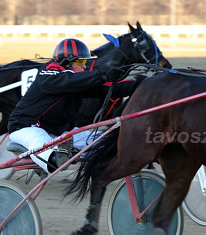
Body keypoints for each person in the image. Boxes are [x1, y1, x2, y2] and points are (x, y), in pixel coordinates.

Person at [8, 38, 140, 173]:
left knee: (104, 140)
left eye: (85, 61)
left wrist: (139, 84)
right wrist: (103, 75)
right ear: (66, 62)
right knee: (39, 139)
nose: (84, 66)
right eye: (80, 61)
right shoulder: (49, 74)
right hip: (25, 127)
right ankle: (55, 160)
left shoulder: (78, 81)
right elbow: (69, 79)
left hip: (61, 133)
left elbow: (105, 88)